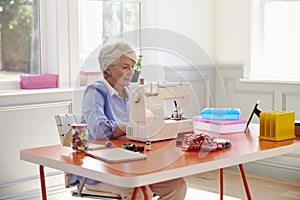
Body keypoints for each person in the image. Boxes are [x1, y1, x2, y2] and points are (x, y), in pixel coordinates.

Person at [76, 38, 187, 199]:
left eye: (133, 67)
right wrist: (131, 125)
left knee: (177, 185)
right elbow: (99, 130)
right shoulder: (94, 92)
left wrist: (151, 121)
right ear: (108, 69)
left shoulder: (129, 95)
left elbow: (141, 125)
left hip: (129, 162)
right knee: (141, 193)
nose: (131, 71)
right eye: (125, 67)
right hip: (98, 167)